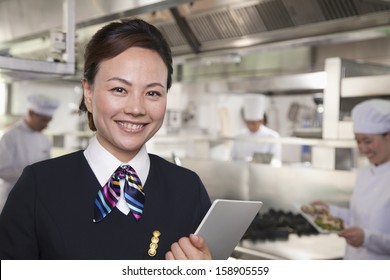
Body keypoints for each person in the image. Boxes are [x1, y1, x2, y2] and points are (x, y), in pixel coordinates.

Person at [0, 18, 212, 260]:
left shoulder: (187, 188)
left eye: (152, 92)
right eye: (119, 90)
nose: (136, 108)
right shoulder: (38, 187)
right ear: (88, 94)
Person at [311, 99, 390, 259]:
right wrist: (330, 211)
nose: (362, 148)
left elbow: (367, 231)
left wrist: (367, 238)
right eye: (358, 141)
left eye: (368, 141)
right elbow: (359, 218)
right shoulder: (364, 174)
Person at [0, 94, 59, 213]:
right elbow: (2, 170)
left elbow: (47, 166)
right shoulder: (10, 136)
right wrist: (32, 176)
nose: (46, 125)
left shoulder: (44, 139)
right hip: (11, 196)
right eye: (43, 120)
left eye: (48, 121)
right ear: (31, 113)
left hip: (37, 198)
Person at [231, 93, 281, 166]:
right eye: (248, 123)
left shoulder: (272, 136)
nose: (250, 126)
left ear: (261, 121)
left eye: (253, 123)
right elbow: (233, 158)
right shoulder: (238, 136)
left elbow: (276, 161)